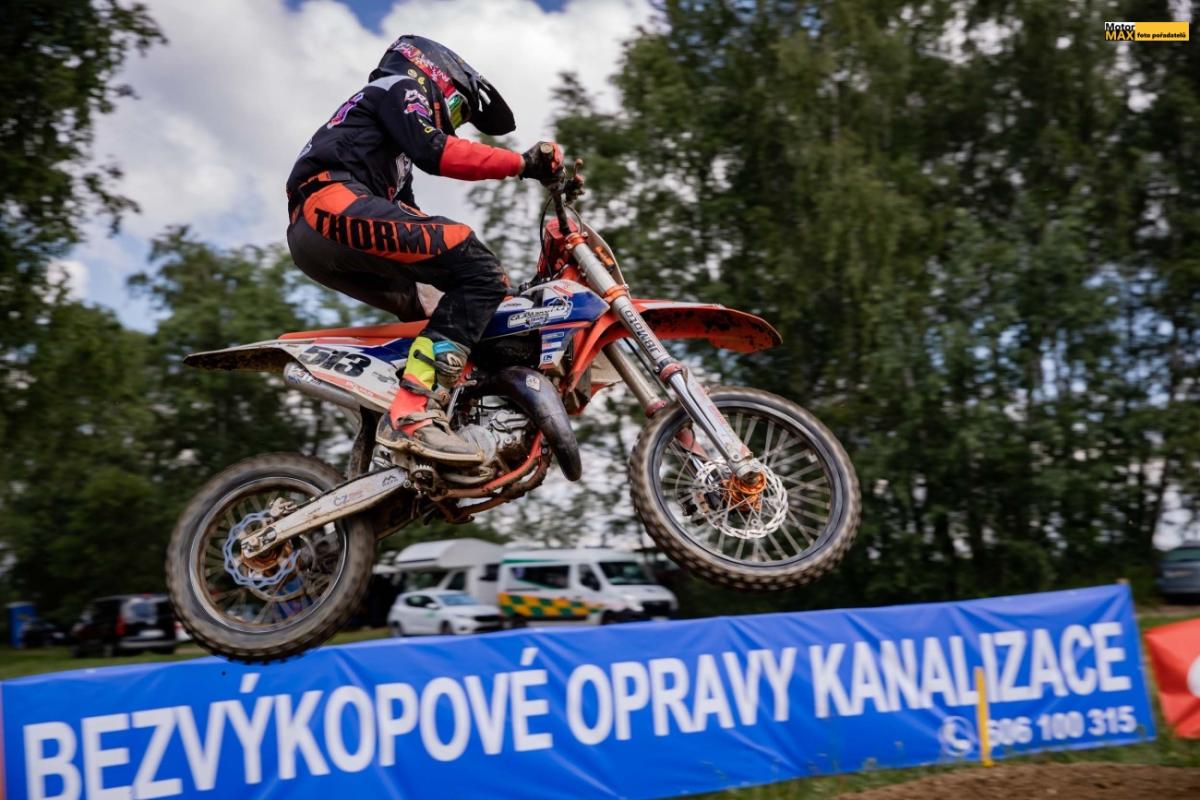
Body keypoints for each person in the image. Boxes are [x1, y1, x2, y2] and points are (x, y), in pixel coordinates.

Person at [286, 35, 562, 465]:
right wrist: (522, 164)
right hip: (329, 204)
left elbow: (409, 215)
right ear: (433, 73)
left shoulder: (392, 155)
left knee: (449, 303)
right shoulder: (398, 87)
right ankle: (413, 411)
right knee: (477, 266)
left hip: (324, 228)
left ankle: (424, 426)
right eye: (458, 110)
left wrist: (502, 298)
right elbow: (436, 151)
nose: (454, 124)